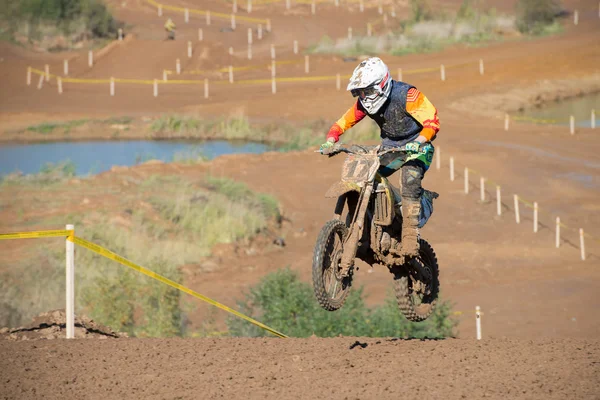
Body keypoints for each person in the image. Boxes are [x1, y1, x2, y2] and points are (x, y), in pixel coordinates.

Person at [321, 57, 440, 258]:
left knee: (409, 179)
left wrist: (418, 141)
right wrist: (331, 139)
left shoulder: (407, 95)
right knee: (365, 176)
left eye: (367, 91)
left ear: (381, 84)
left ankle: (410, 237)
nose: (364, 96)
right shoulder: (364, 103)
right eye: (359, 92)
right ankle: (373, 225)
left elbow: (432, 121)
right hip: (389, 149)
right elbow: (343, 122)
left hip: (418, 147)